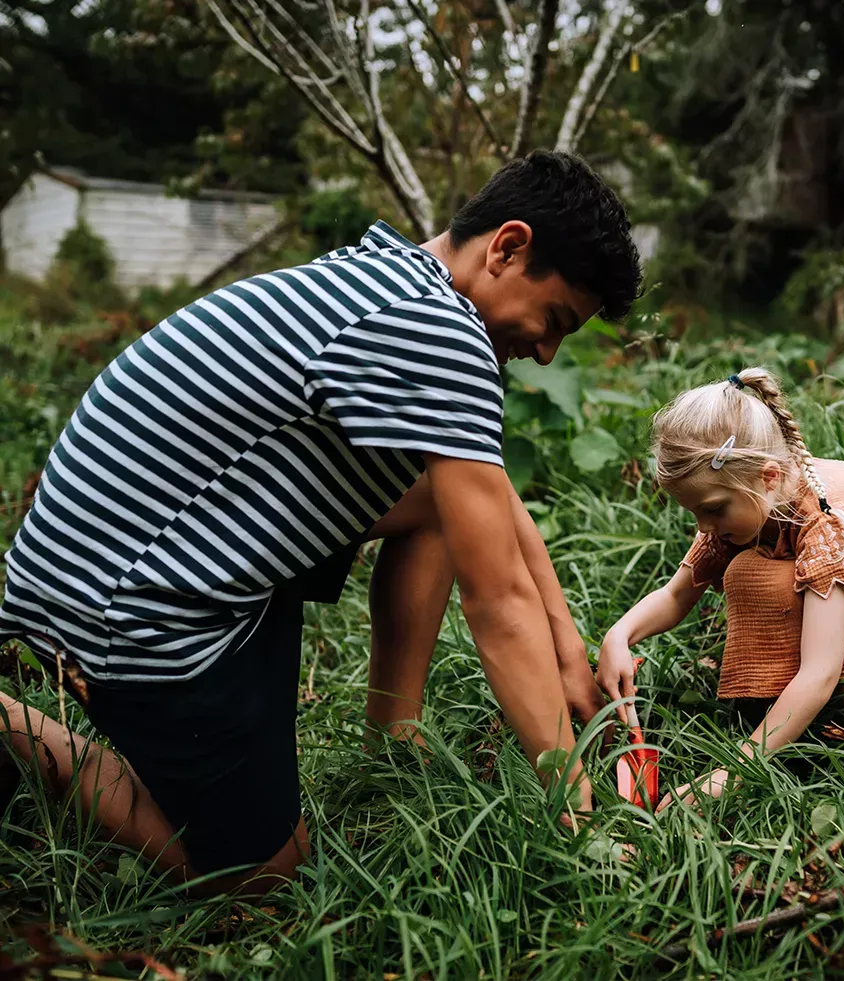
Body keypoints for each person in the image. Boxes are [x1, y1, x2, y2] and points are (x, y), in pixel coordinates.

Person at [0, 150, 641, 893]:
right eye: (554, 320)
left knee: (449, 504)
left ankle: (393, 747)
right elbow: (498, 601)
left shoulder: (389, 275)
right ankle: (13, 724)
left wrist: (567, 652)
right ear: (508, 247)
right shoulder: (442, 333)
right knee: (264, 878)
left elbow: (489, 505)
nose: (547, 352)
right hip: (125, 608)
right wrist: (578, 815)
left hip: (143, 546)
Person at [596, 368, 844, 811]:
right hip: (843, 594)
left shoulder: (828, 527)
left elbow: (819, 672)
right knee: (753, 571)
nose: (703, 527)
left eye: (712, 510)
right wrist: (619, 636)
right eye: (695, 513)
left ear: (768, 476)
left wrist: (732, 773)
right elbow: (675, 595)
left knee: (761, 579)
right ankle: (790, 712)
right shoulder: (752, 497)